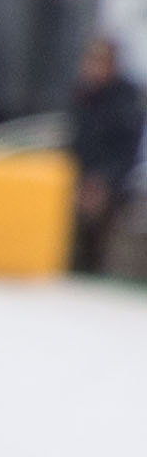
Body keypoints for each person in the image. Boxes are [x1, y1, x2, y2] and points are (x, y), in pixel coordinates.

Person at [69, 32, 140, 279]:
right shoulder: (81, 95)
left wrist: (102, 182)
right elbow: (73, 144)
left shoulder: (126, 100)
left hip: (115, 184)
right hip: (80, 179)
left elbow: (125, 153)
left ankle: (97, 269)